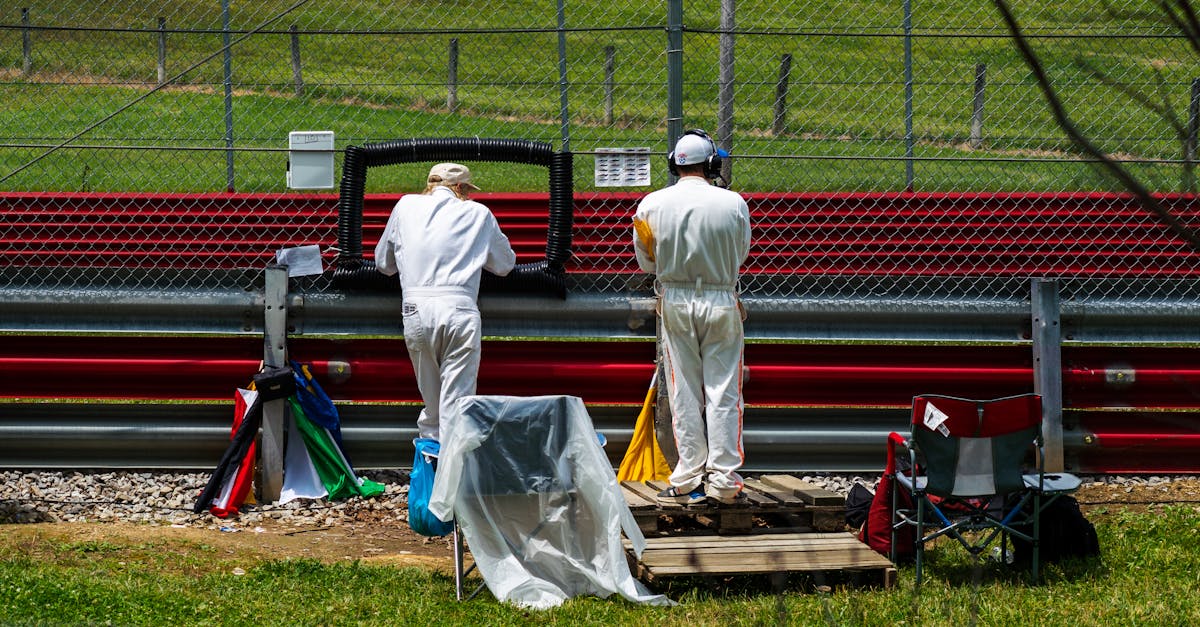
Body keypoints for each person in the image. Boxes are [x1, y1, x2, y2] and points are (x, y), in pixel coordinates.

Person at [632, 129, 751, 505]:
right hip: (720, 297)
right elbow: (741, 253)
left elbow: (645, 261)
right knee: (724, 390)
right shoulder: (733, 203)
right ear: (712, 164)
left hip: (675, 299)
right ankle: (724, 480)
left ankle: (686, 477)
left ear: (675, 164)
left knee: (682, 388)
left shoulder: (650, 204)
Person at [374, 163, 516, 442]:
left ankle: (430, 458)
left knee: (432, 405)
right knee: (457, 404)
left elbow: (383, 263)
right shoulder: (478, 213)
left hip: (415, 310)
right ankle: (453, 465)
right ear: (460, 188)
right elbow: (505, 265)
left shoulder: (404, 206)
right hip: (459, 309)